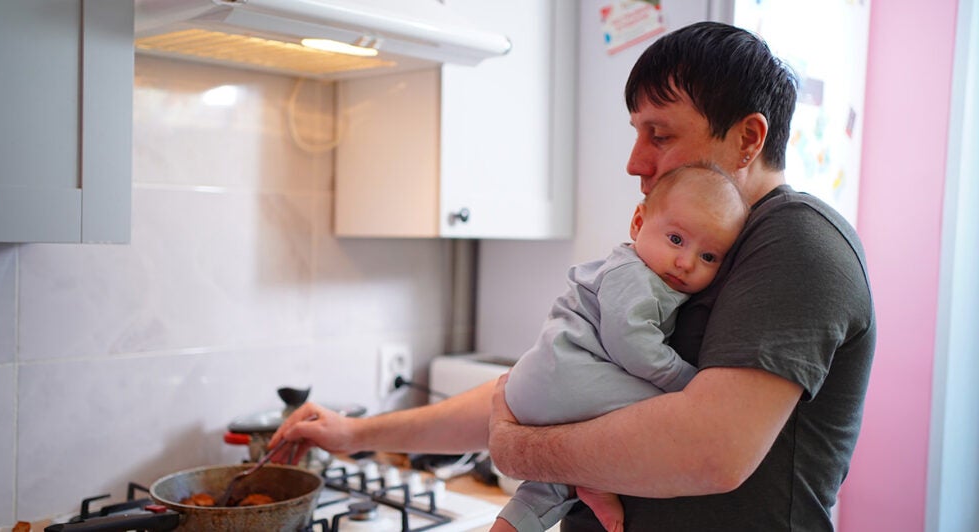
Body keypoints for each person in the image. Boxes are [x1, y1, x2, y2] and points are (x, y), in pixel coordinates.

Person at [270, 21, 876, 531]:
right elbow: (552, 378)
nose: (636, 161)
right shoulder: (686, 249)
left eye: (658, 134)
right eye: (637, 131)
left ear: (748, 138)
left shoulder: (797, 241)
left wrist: (516, 448)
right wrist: (357, 433)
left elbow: (711, 451)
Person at [496, 163, 747, 532]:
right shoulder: (632, 274)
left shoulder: (644, 274)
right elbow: (631, 344)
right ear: (638, 222)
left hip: (550, 384)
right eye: (676, 239)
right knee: (665, 417)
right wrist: (688, 383)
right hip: (567, 374)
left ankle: (519, 518)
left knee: (547, 483)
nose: (686, 262)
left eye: (708, 257)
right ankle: (596, 480)